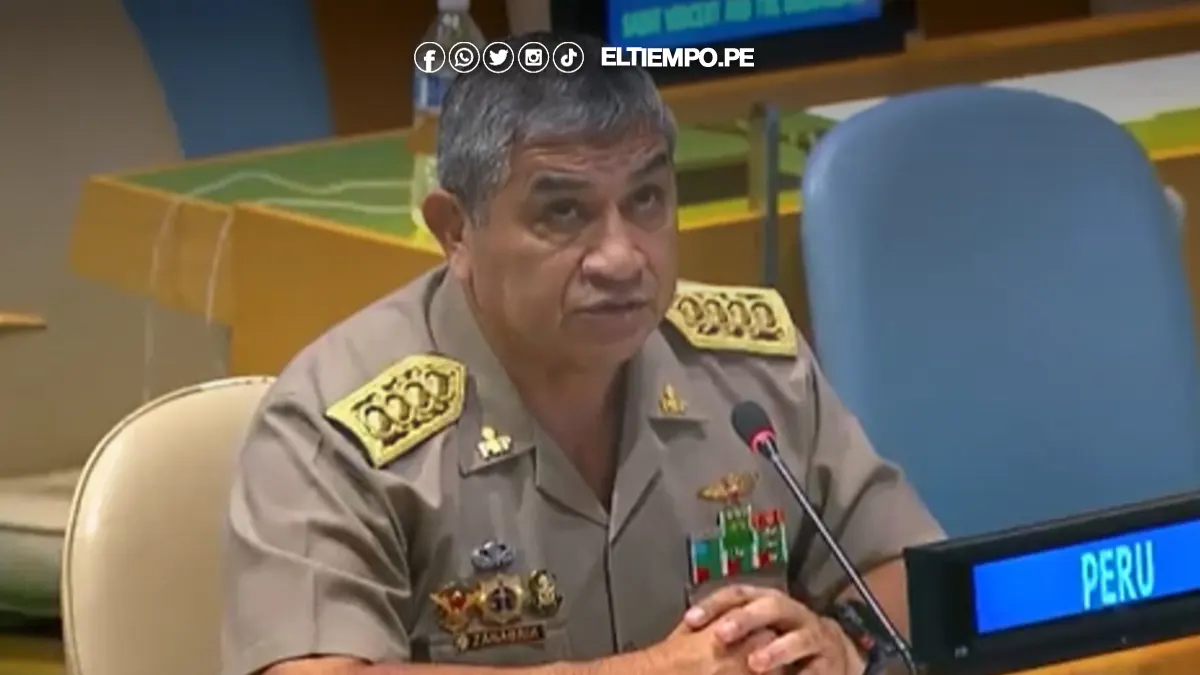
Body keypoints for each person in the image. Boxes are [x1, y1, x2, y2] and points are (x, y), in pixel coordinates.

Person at [221, 31, 943, 675]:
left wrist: (844, 642)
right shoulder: (335, 425)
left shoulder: (752, 372)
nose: (621, 258)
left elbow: (912, 570)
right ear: (456, 230)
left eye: (647, 199)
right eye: (564, 212)